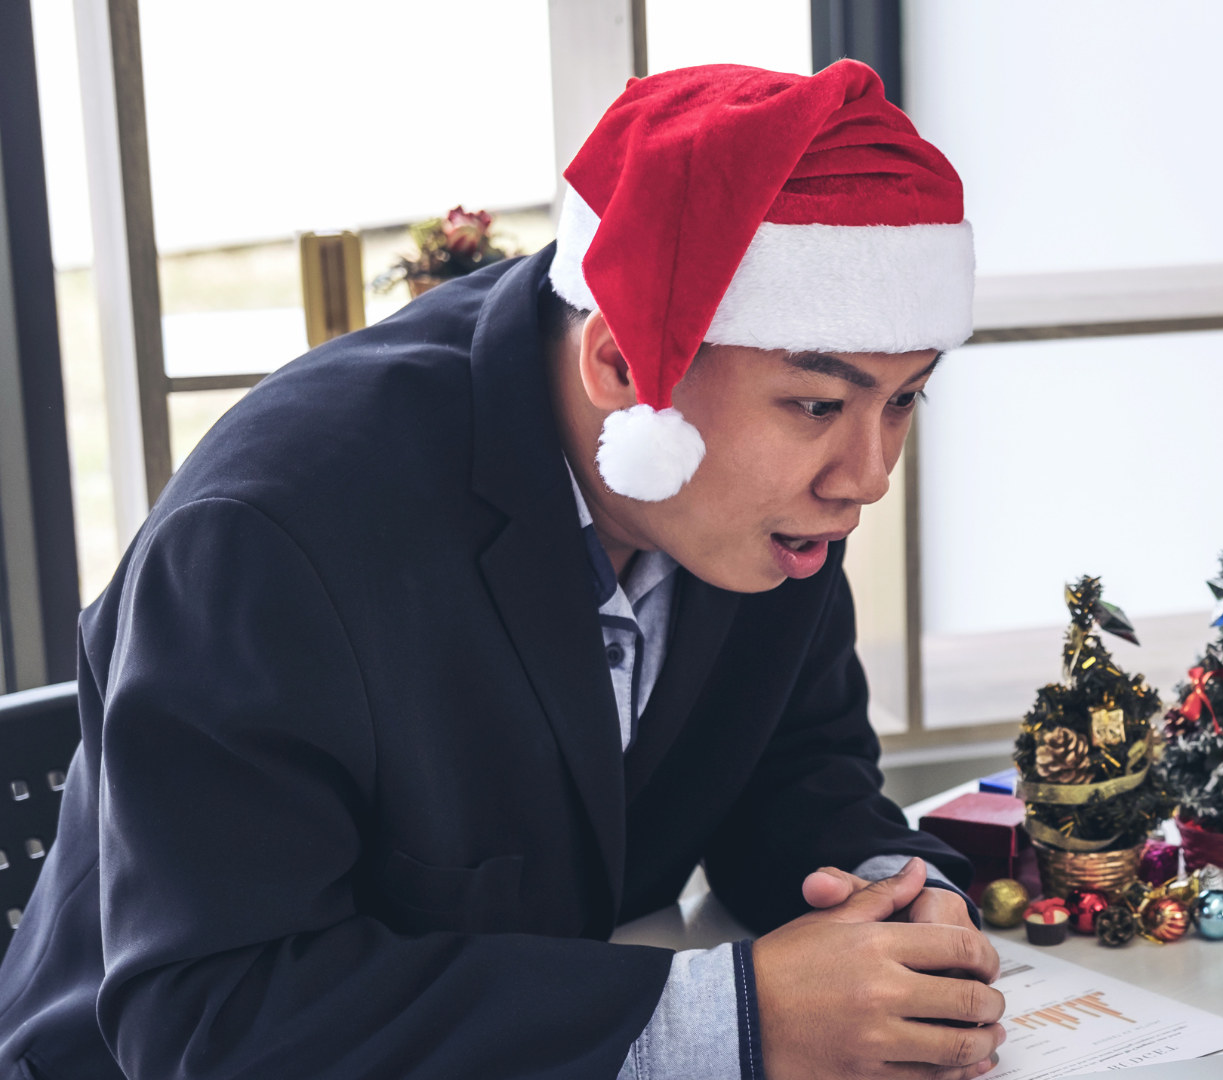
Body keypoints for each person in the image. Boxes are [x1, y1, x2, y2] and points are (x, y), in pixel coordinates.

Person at [0, 62, 1009, 1080]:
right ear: (623, 366)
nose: (869, 476)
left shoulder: (755, 501)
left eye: (906, 400)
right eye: (817, 405)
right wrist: (734, 1020)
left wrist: (897, 901)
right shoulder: (272, 534)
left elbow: (794, 773)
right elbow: (213, 1015)